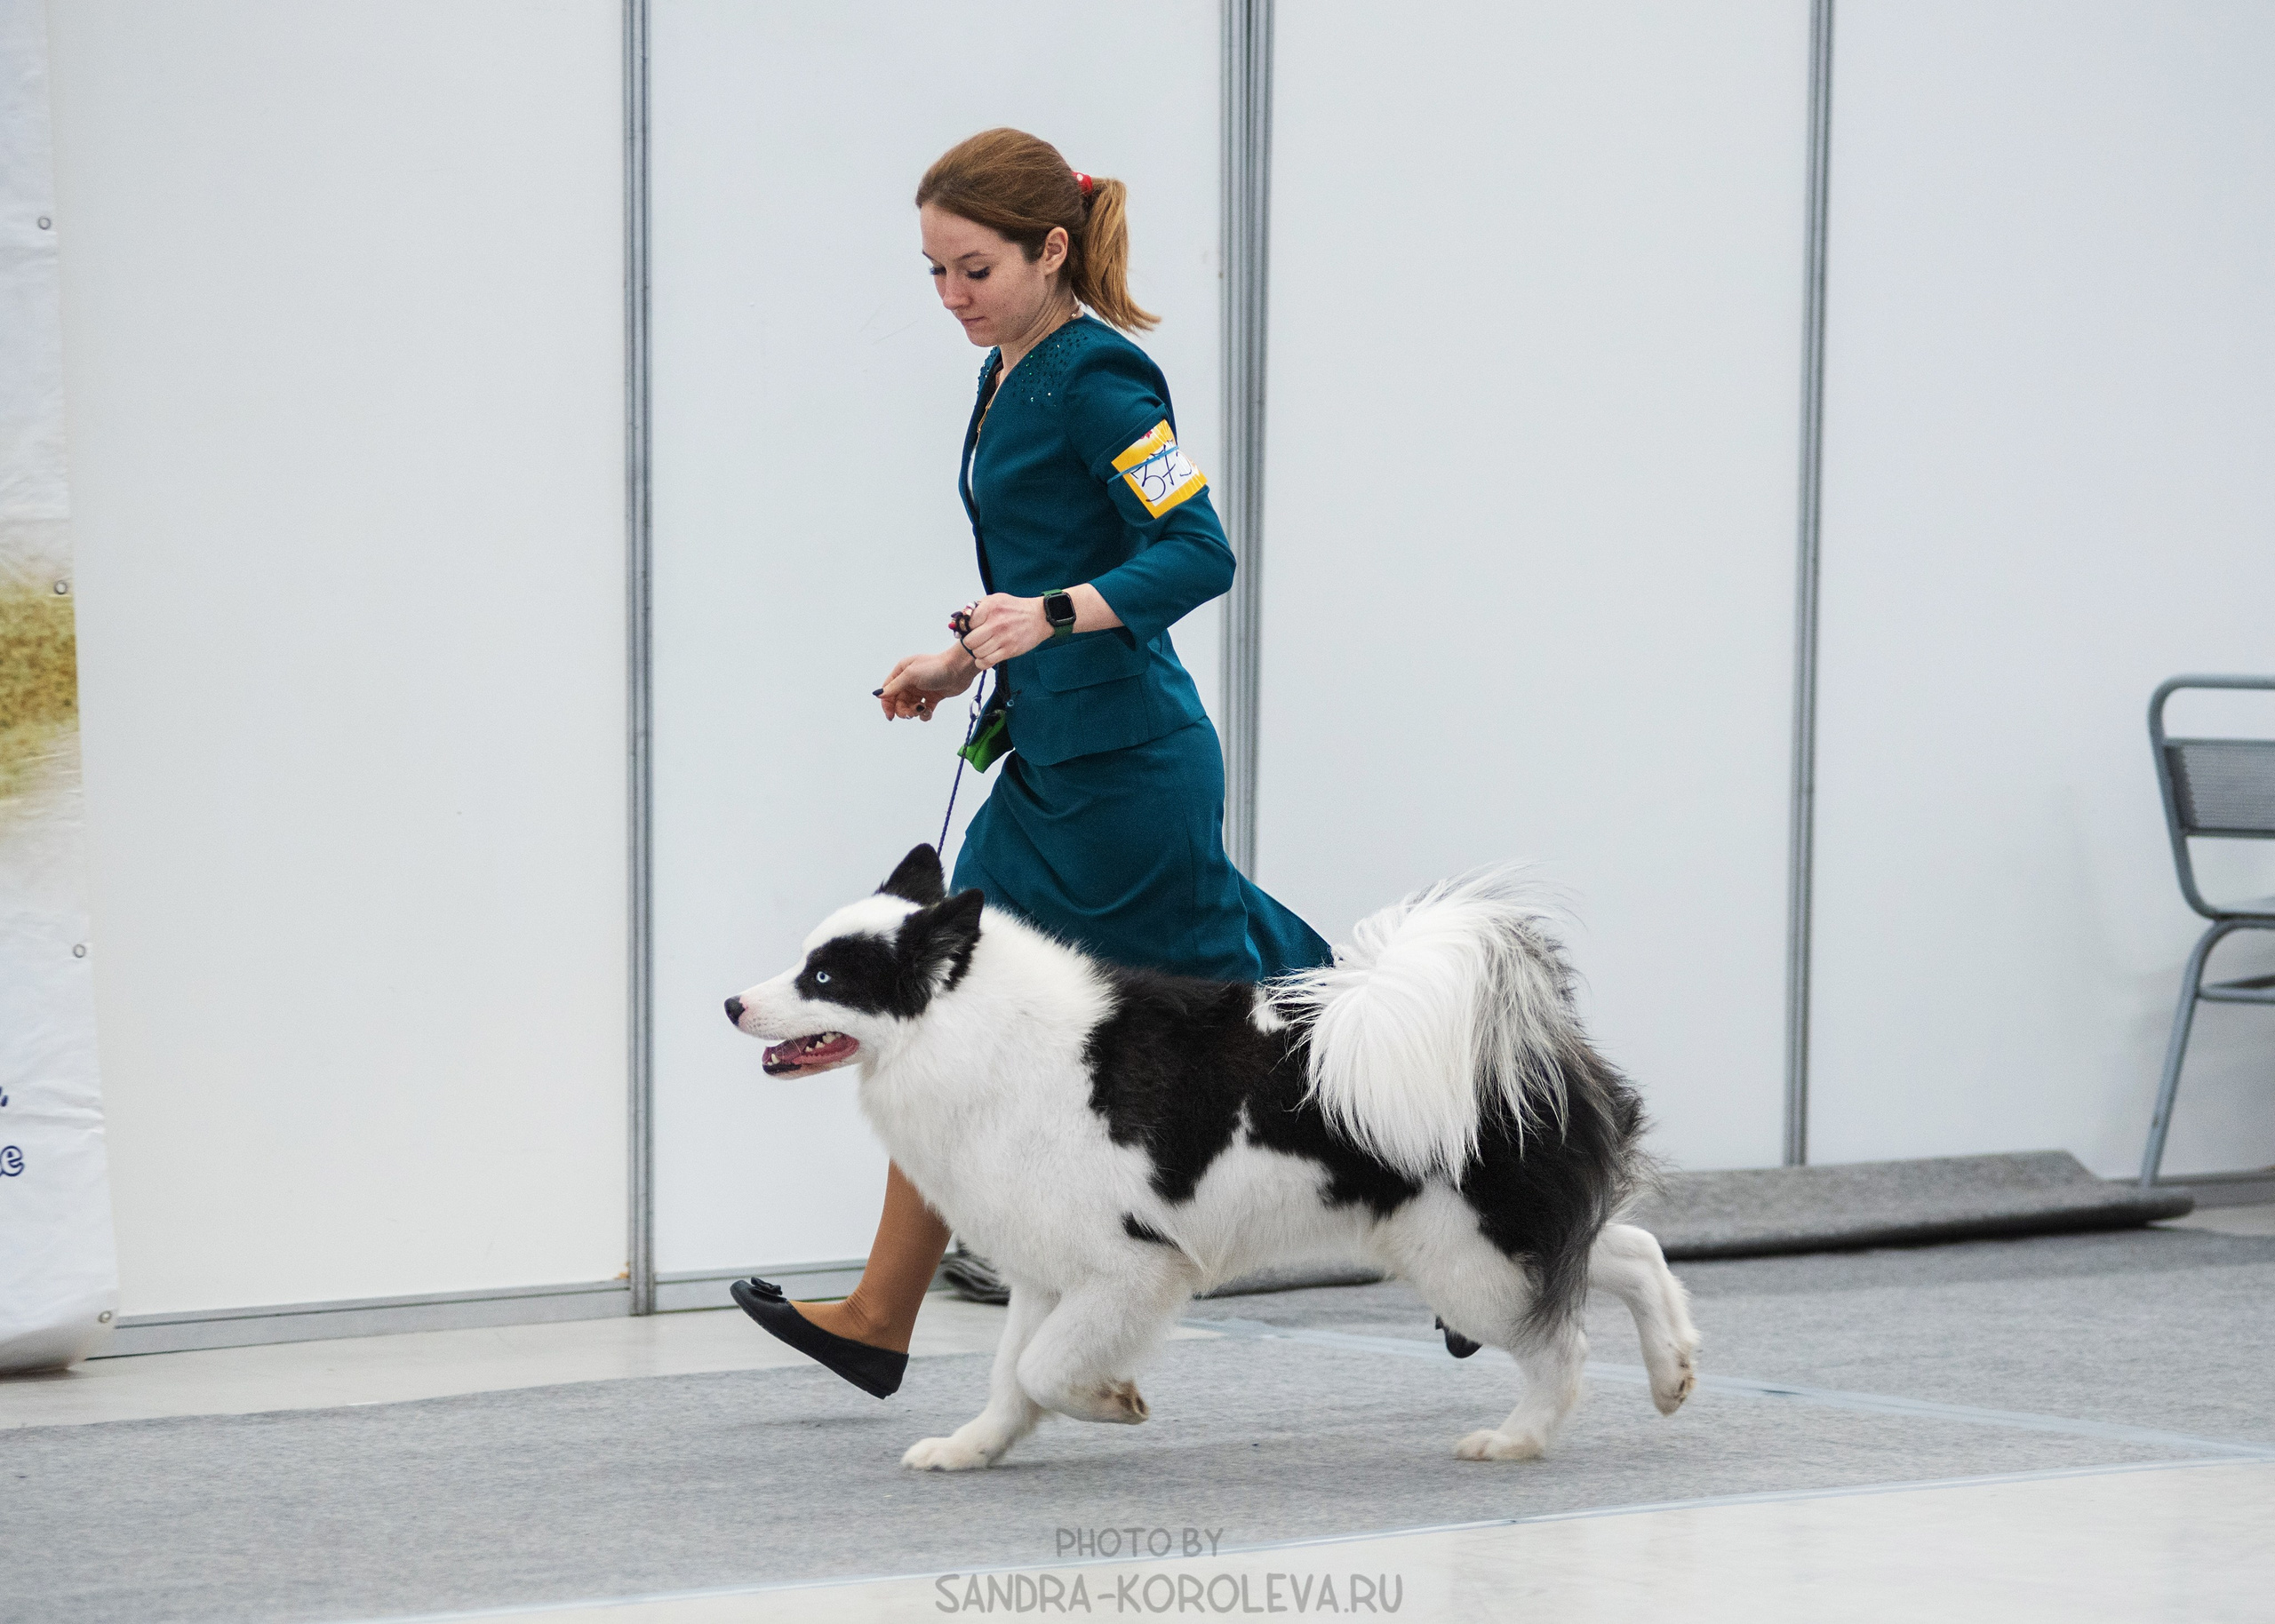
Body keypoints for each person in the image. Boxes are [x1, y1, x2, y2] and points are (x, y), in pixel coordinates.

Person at [732, 128, 1331, 1398]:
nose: (950, 298)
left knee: (1277, 1018)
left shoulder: (1103, 378)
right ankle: (883, 1316)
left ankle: (1478, 1150)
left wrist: (1050, 616)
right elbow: (1049, 562)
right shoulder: (1013, 367)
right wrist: (965, 659)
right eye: (934, 273)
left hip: (1127, 774)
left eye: (974, 270)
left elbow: (1198, 554)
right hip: (1054, 758)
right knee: (958, 1009)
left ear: (1051, 249)